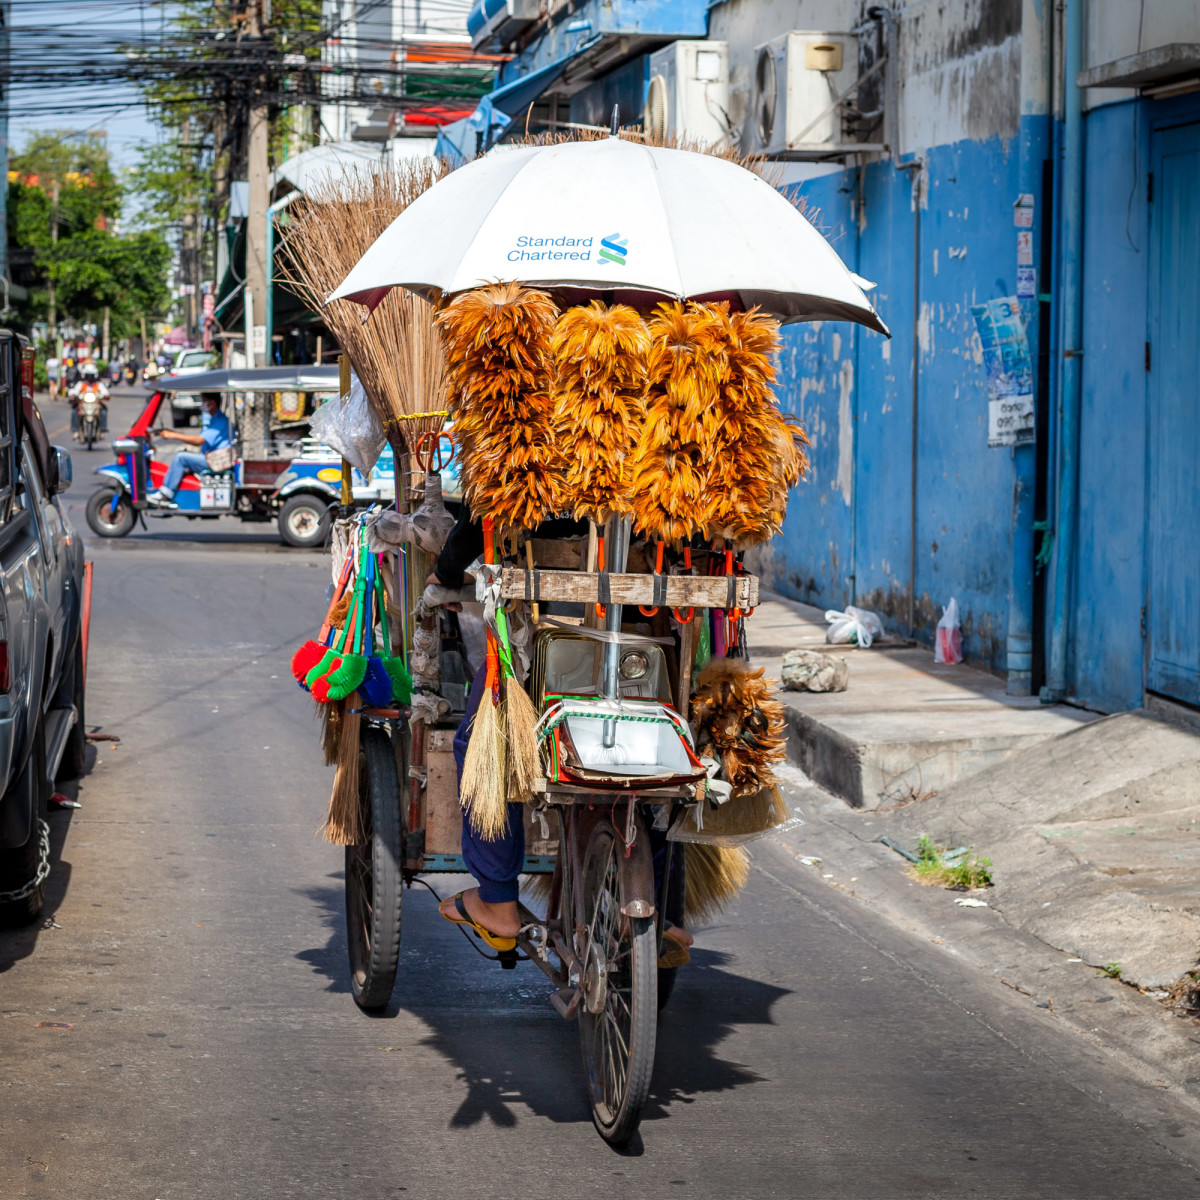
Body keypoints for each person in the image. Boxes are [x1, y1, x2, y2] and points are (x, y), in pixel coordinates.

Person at [431, 504, 694, 965]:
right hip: (645, 646)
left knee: (481, 745)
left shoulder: (538, 449)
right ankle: (664, 912)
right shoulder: (667, 457)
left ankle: (497, 899)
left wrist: (445, 571)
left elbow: (478, 524)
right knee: (661, 761)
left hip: (547, 644)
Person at [146, 393, 232, 508]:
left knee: (181, 457)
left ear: (212, 403)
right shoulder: (214, 419)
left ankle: (165, 494)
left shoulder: (220, 421)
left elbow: (199, 440)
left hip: (215, 461)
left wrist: (172, 435)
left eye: (204, 401)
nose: (202, 404)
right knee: (185, 455)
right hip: (211, 458)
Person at [67, 362, 110, 439]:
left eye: (91, 376)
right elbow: (74, 391)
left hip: (96, 405)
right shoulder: (81, 384)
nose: (90, 378)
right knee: (75, 411)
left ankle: (102, 430)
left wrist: (105, 395)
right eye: (88, 376)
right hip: (82, 405)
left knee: (103, 411)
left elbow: (105, 392)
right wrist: (73, 395)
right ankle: (76, 430)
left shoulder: (98, 384)